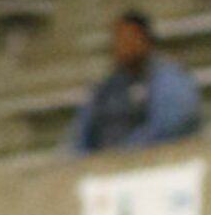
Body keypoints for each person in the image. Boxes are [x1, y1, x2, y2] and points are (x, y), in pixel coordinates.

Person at [69, 11, 202, 154]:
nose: (122, 44)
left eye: (129, 37)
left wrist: (124, 152)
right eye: (118, 38)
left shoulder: (169, 78)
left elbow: (171, 125)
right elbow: (81, 135)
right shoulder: (105, 88)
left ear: (145, 39)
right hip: (104, 165)